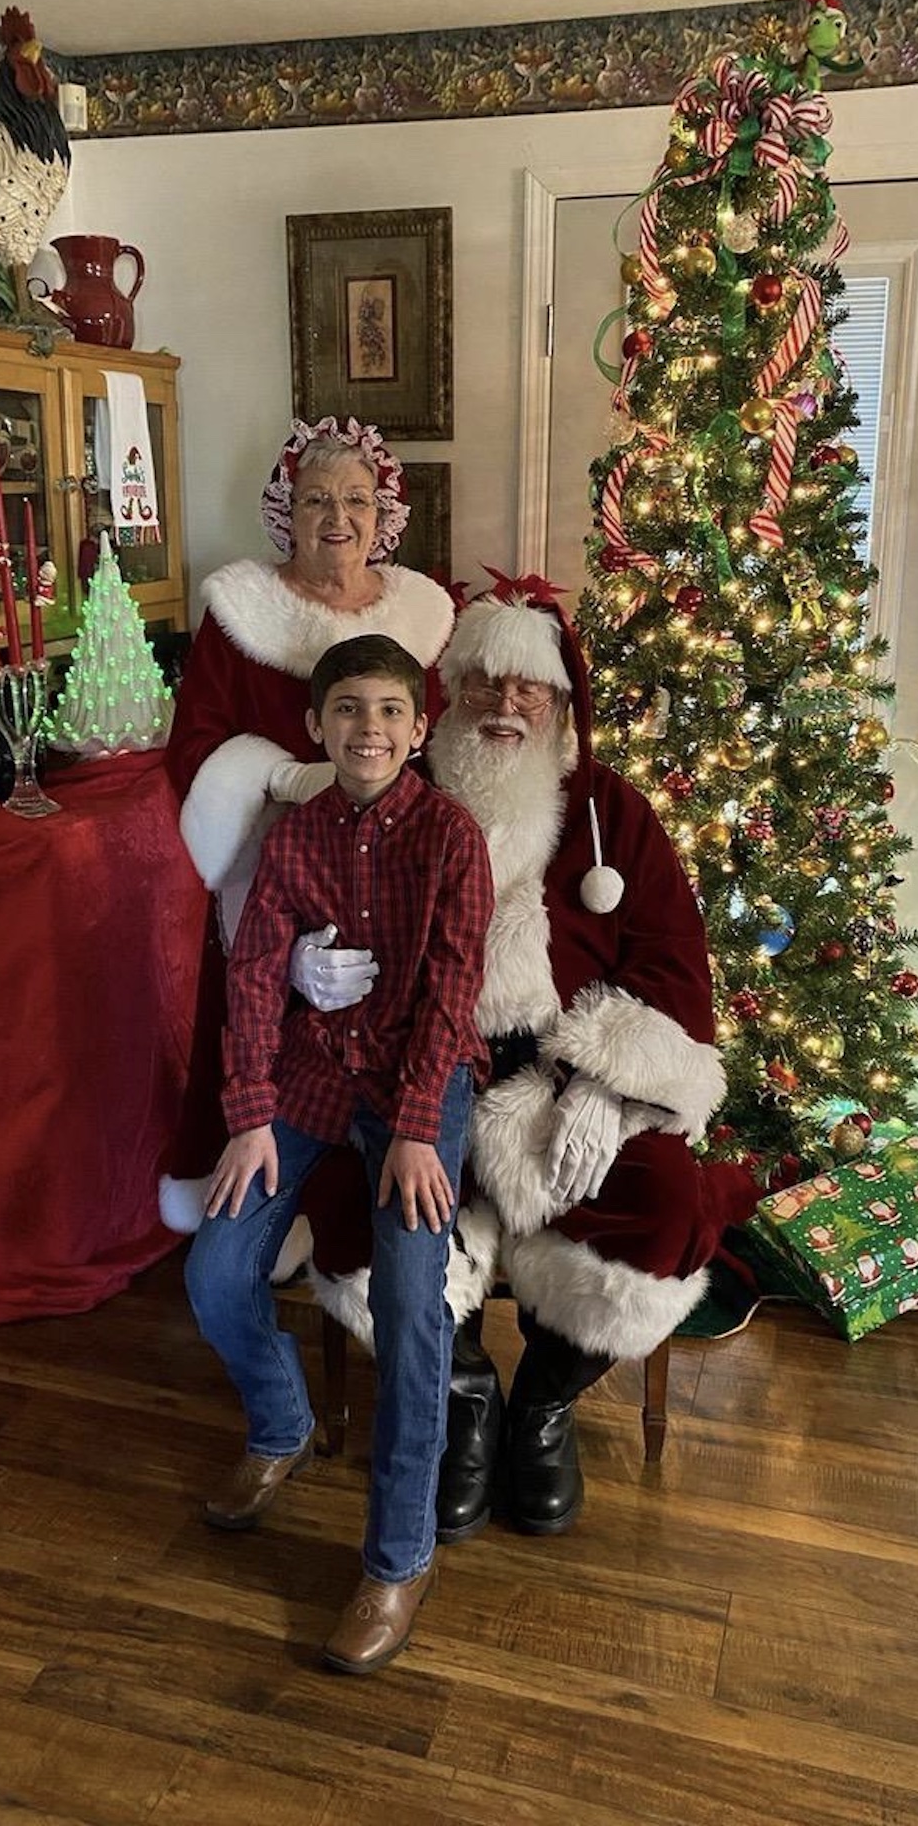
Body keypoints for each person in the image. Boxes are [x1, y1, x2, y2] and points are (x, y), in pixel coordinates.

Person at [302, 575, 763, 1541]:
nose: (506, 706)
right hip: (424, 1081)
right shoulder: (399, 799)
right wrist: (313, 962)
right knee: (355, 1193)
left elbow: (674, 962)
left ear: (559, 706)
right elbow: (324, 911)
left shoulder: (611, 814)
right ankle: (467, 1392)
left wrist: (609, 1080)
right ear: (451, 693)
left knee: (668, 1201)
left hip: (566, 1086)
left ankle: (545, 1403)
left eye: (530, 690)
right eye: (485, 684)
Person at [184, 634, 493, 1674]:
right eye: (349, 708)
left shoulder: (453, 837)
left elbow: (453, 990)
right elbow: (259, 976)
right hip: (312, 1073)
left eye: (391, 710)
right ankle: (280, 1423)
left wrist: (415, 1127)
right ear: (317, 725)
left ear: (419, 727)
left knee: (412, 1298)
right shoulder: (295, 835)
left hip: (419, 1080)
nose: (370, 728)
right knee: (217, 1265)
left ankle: (398, 1554)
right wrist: (249, 1110)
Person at [161, 418, 454, 1235]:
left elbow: (433, 742)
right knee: (262, 1025)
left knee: (378, 1031)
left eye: (356, 499)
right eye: (318, 497)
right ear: (288, 509)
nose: (338, 517)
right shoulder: (240, 612)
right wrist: (284, 779)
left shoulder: (423, 613)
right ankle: (255, 1208)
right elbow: (193, 747)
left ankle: (351, 1224)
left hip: (385, 866)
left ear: (383, 510)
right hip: (268, 873)